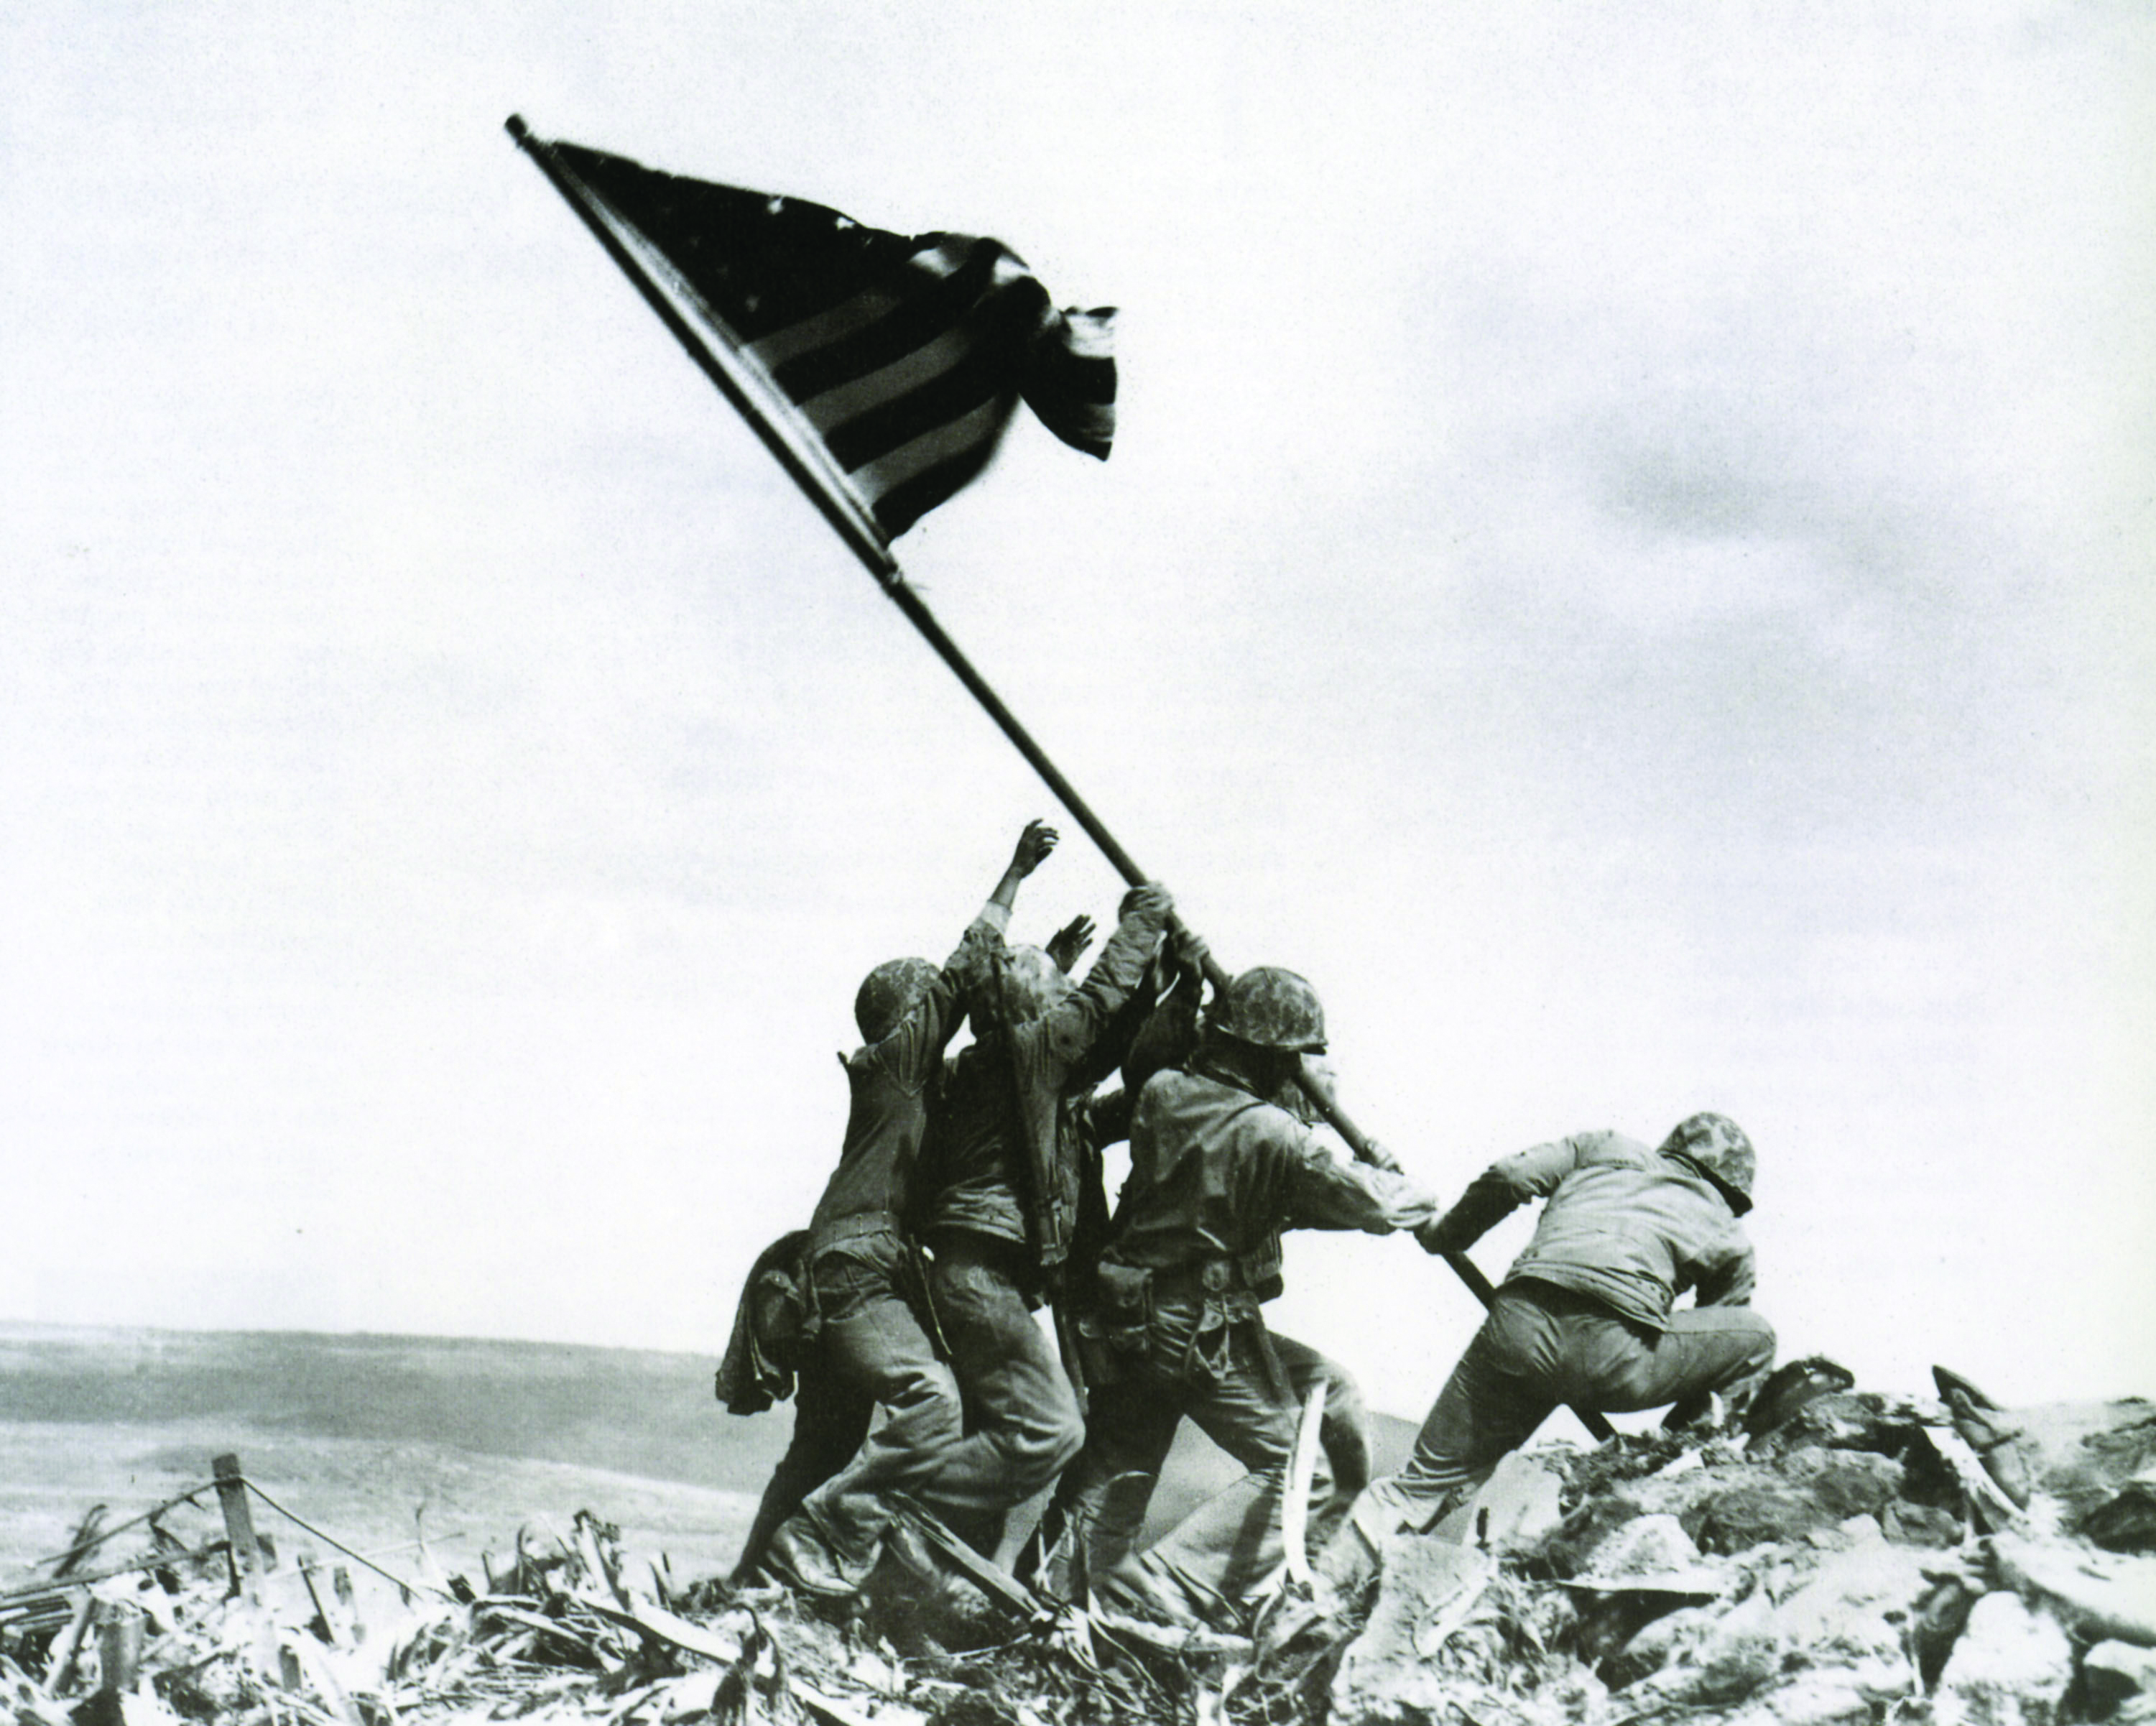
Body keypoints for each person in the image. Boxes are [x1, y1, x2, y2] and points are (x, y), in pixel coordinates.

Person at [1028, 966, 1439, 1630]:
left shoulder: (1163, 1094)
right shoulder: (1273, 1136)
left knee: (1131, 1459)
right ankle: (1166, 1593)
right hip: (1200, 1326)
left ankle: (1050, 1595)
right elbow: (1379, 1206)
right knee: (1303, 1476)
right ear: (1274, 1057)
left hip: (1131, 1315)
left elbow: (1242, 1186)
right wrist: (1401, 1180)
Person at [755, 821, 1058, 1596]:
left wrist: (1052, 970)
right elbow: (963, 977)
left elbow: (997, 1035)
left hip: (857, 1267)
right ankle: (829, 1534)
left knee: (823, 1442)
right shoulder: (893, 1062)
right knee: (932, 1401)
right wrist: (1013, 874)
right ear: (906, 1018)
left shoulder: (913, 1087)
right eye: (928, 1009)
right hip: (857, 1266)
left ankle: (754, 1582)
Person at [1318, 1112, 1776, 1602]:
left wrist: (1447, 1236)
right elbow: (1711, 1360)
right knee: (1756, 1338)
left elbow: (1509, 1177)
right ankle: (1674, 1462)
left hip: (1515, 1330)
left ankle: (1318, 1594)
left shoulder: (1604, 1146)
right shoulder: (1730, 1236)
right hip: (1615, 1359)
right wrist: (1669, 1440)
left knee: (1417, 1487)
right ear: (1732, 1192)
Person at [898, 880, 1178, 1559]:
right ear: (1034, 1010)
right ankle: (891, 1505)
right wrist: (1141, 923)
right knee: (1052, 1430)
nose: (1067, 1003)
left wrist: (1167, 987)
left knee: (998, 1439)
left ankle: (934, 1586)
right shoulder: (1025, 1054)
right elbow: (1097, 1007)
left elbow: (1105, 1041)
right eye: (1058, 993)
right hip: (979, 1280)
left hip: (980, 1280)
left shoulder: (1004, 1070)